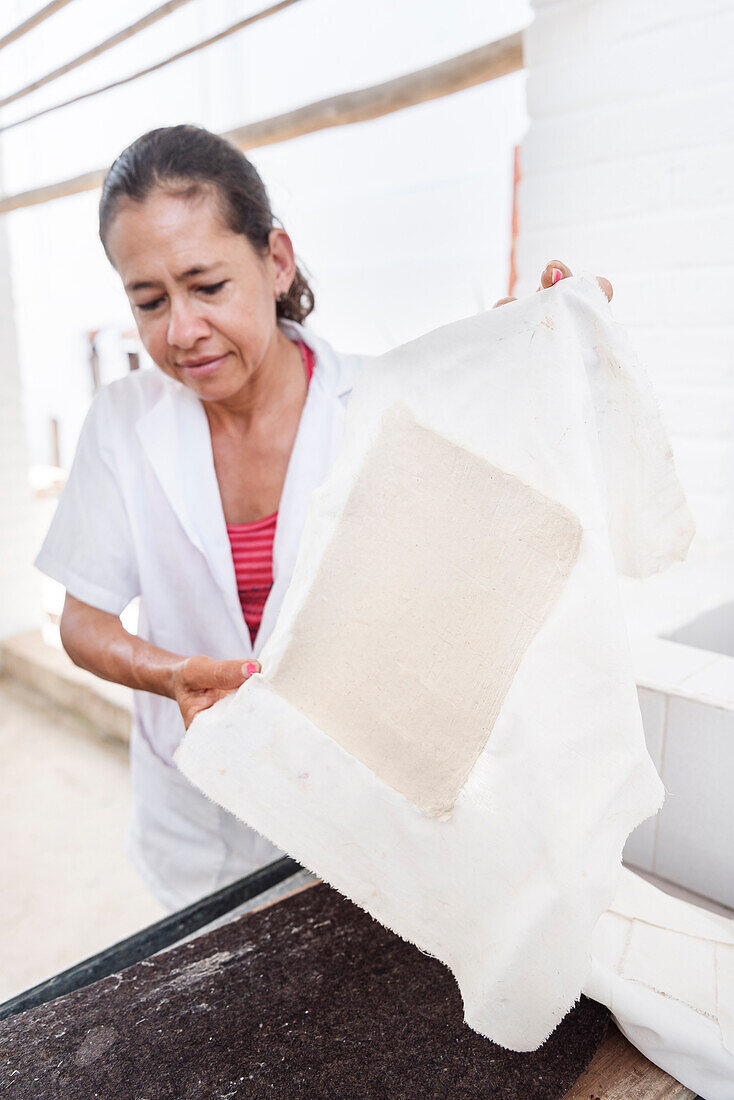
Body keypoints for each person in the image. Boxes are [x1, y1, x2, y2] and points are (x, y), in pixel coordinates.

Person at [35, 124, 613, 911]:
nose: (180, 331)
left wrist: (526, 358)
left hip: (350, 817)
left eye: (207, 286)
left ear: (276, 261)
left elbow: (487, 527)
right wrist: (169, 674)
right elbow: (82, 621)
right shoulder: (122, 421)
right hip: (192, 827)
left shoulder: (384, 406)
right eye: (149, 300)